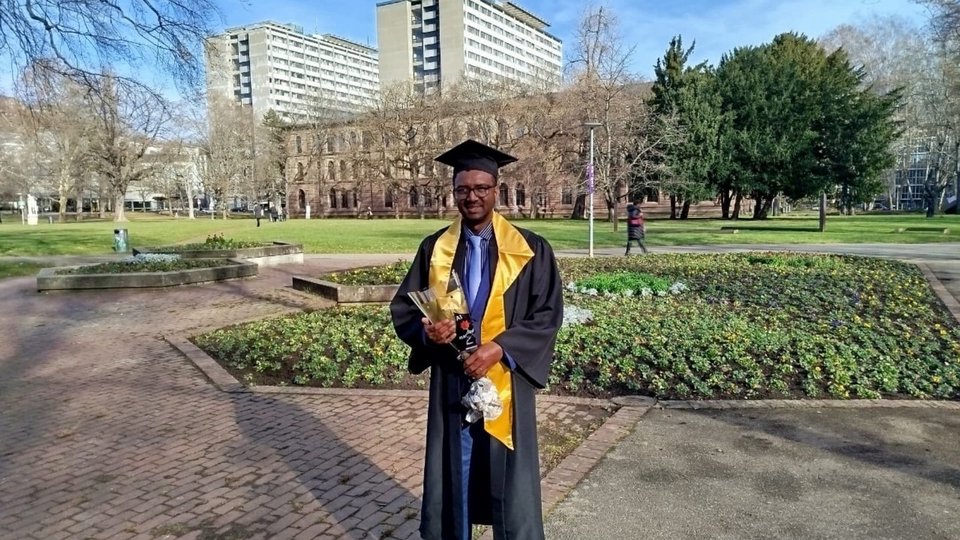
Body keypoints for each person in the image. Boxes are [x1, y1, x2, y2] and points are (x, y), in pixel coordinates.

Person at [390, 139, 564, 540]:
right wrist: (428, 332)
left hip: (506, 379)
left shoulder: (530, 249)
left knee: (509, 478)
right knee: (457, 468)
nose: (472, 197)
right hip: (453, 377)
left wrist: (499, 348)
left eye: (481, 188)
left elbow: (547, 313)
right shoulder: (435, 249)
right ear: (453, 192)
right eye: (463, 189)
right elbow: (406, 308)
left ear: (496, 190)